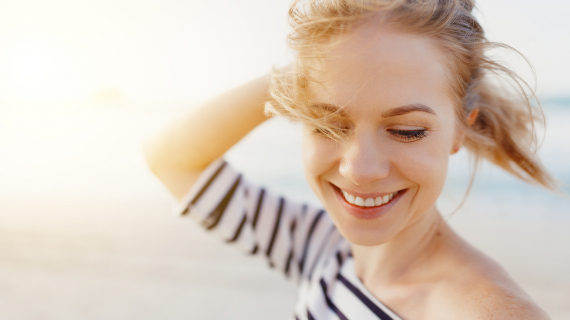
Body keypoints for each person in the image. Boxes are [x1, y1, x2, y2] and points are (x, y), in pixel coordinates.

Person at [144, 0, 557, 319]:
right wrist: (303, 72)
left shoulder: (478, 310)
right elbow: (171, 159)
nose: (359, 169)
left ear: (460, 132)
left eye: (407, 131)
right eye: (326, 124)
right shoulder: (322, 248)